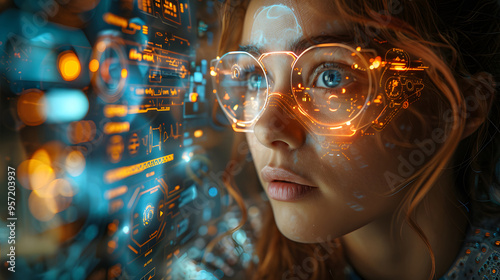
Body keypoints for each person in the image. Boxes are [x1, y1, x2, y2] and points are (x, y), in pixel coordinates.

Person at [211, 0, 500, 279]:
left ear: (463, 107)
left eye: (331, 77)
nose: (266, 129)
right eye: (256, 79)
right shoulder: (224, 261)